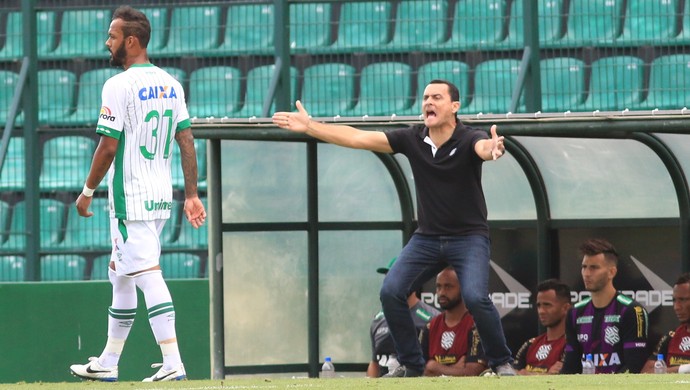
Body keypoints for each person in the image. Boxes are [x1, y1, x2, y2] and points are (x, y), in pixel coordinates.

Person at [273, 80, 515, 377]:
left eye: (437, 97)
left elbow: (483, 147)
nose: (428, 102)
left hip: (468, 238)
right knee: (391, 291)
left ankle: (501, 362)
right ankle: (412, 366)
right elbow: (357, 138)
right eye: (425, 97)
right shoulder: (412, 138)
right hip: (427, 237)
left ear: (454, 106)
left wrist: (493, 149)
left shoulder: (468, 138)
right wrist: (311, 126)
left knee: (476, 297)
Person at [69, 6, 206, 382]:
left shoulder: (118, 85)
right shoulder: (171, 83)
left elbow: (108, 146)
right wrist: (191, 194)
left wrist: (86, 192)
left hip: (130, 196)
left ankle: (173, 361)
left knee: (146, 273)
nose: (107, 43)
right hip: (161, 194)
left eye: (112, 37)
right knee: (121, 274)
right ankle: (108, 362)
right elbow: (186, 140)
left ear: (131, 41)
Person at [561, 239, 649, 374]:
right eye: (584, 267)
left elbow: (634, 368)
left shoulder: (632, 311)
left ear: (611, 272)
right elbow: (570, 367)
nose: (587, 273)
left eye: (594, 267)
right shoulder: (574, 313)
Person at [367, 258, 440, 377]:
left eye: (394, 278)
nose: (390, 283)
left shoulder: (432, 319)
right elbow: (374, 363)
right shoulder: (378, 320)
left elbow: (437, 366)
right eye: (387, 278)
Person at [424, 266, 487, 377]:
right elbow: (417, 368)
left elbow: (473, 372)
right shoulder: (430, 326)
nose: (442, 292)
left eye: (448, 287)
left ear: (463, 288)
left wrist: (435, 367)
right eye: (438, 287)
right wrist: (454, 369)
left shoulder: (476, 325)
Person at [513, 279, 571, 375]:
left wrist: (525, 374)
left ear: (565, 308)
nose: (541, 311)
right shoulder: (530, 344)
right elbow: (512, 375)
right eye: (539, 305)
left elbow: (560, 378)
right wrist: (546, 375)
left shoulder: (571, 344)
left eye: (547, 305)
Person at [641, 273, 690, 373]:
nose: (676, 307)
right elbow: (646, 372)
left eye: (683, 300)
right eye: (674, 300)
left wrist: (665, 372)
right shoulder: (671, 336)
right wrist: (683, 369)